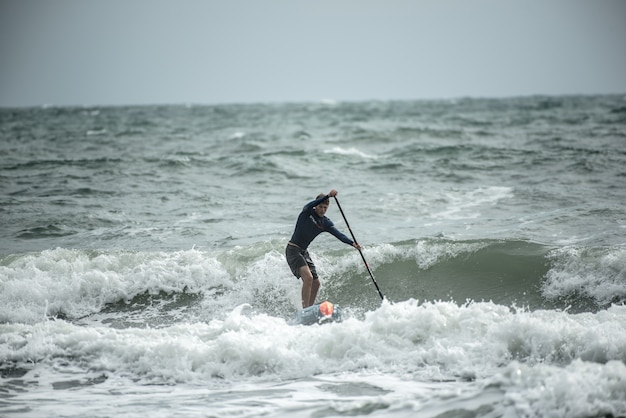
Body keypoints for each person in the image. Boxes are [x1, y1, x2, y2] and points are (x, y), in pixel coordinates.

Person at [286, 189, 361, 308]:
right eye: (320, 206)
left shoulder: (325, 223)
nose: (322, 210)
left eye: (325, 208)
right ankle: (305, 310)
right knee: (308, 278)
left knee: (316, 283)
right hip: (293, 250)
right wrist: (327, 196)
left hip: (303, 252)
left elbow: (339, 235)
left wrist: (353, 243)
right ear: (316, 206)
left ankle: (309, 309)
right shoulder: (307, 212)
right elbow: (309, 205)